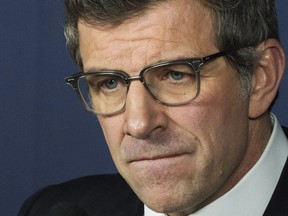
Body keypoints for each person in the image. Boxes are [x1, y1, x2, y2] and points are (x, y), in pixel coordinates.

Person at [18, 0, 288, 215]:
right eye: (110, 83)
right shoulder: (48, 208)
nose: (139, 124)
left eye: (175, 75)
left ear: (260, 77)